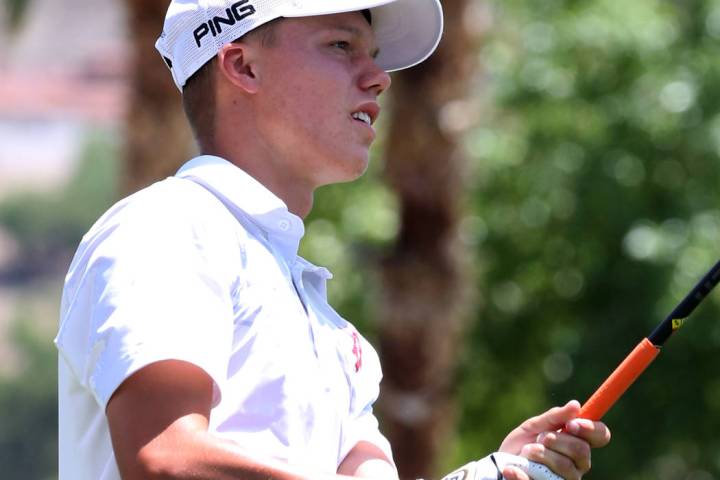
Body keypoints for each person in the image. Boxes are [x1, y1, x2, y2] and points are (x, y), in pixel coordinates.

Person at [55, 1, 611, 479]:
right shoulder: (169, 225)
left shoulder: (331, 328)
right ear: (243, 66)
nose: (379, 77)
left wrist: (491, 471)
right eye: (342, 45)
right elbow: (166, 456)